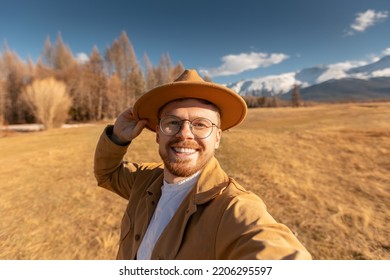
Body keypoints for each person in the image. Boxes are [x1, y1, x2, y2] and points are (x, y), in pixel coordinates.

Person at [94, 69, 312, 260]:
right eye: (172, 122)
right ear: (158, 134)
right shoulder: (143, 179)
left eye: (200, 124)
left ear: (217, 138)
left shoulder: (232, 207)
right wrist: (117, 137)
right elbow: (107, 174)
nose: (184, 134)